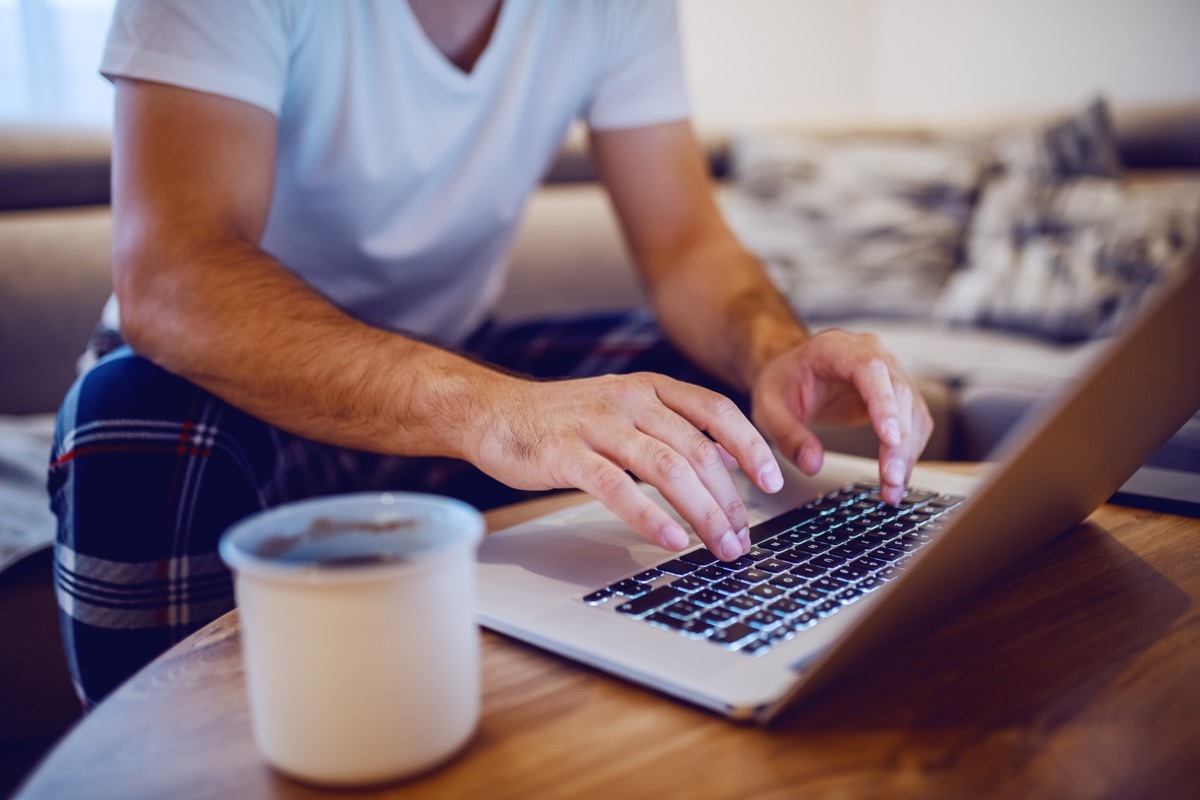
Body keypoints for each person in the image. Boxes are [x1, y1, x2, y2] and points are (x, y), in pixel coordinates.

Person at [49, 0, 933, 707]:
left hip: (449, 371)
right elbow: (171, 278)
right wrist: (491, 413)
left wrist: (774, 353)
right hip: (235, 404)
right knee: (129, 424)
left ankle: (686, 673)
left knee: (685, 391)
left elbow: (684, 244)